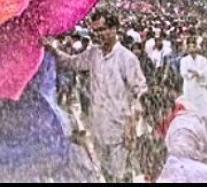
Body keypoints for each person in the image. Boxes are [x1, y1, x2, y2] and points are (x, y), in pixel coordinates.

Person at [45, 10, 148, 183]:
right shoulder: (93, 54)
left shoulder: (126, 58)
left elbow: (140, 92)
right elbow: (71, 62)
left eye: (103, 29)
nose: (99, 34)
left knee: (121, 175)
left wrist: (132, 124)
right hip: (98, 125)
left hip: (120, 129)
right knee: (105, 173)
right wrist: (52, 50)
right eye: (95, 31)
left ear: (114, 29)